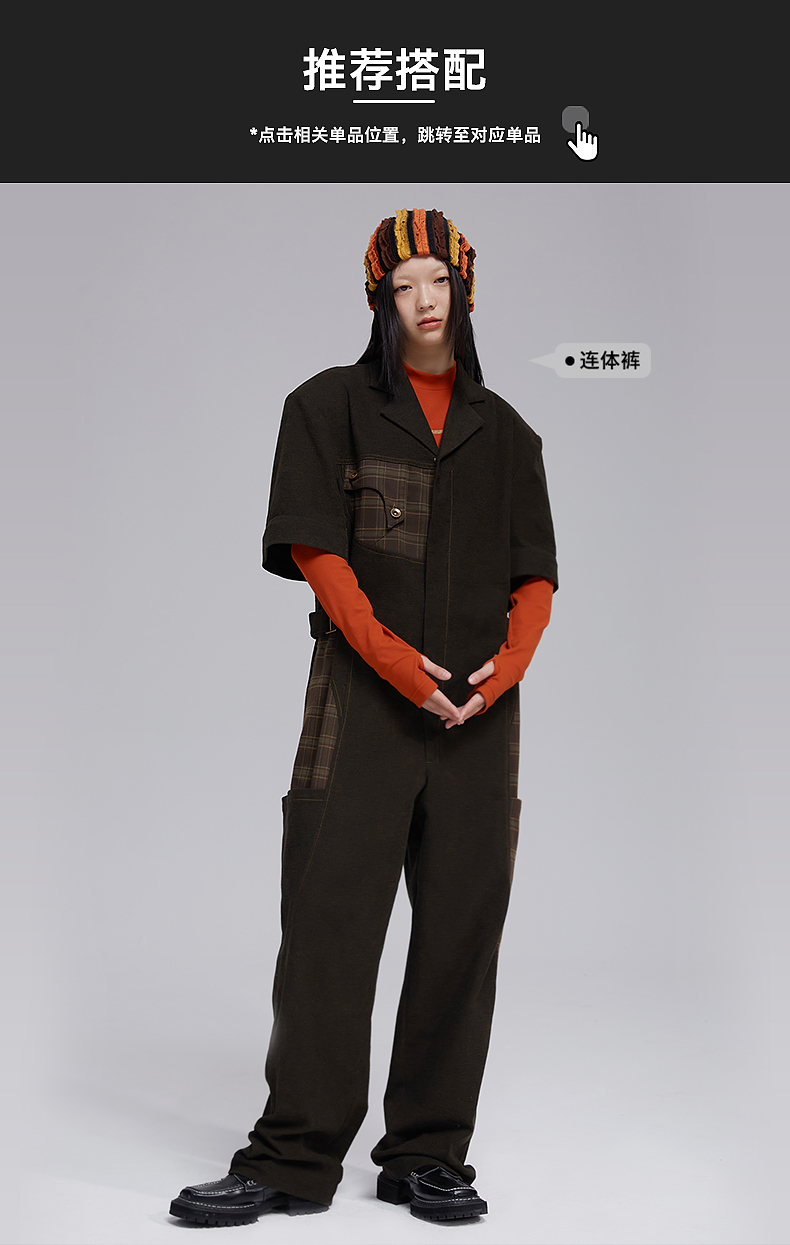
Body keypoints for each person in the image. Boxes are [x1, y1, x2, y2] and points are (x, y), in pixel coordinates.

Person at [169, 209, 558, 1228]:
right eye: (403, 286)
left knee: (462, 932)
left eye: (439, 281)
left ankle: (428, 1154)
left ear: (465, 290)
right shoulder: (325, 406)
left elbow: (535, 576)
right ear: (380, 301)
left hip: (479, 717)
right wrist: (394, 663)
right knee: (327, 928)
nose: (424, 300)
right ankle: (291, 1158)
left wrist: (500, 675)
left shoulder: (510, 434)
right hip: (361, 703)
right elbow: (319, 554)